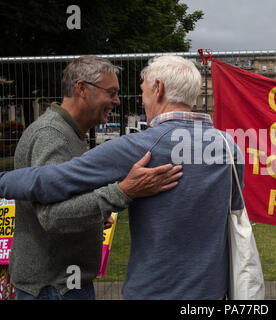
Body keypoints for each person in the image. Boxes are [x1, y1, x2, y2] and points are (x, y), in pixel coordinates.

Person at [0, 55, 244, 299]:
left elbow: (50, 181)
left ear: (158, 89)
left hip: (152, 292)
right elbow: (233, 210)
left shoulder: (138, 147)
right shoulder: (229, 146)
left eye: (143, 91)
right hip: (213, 291)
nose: (140, 100)